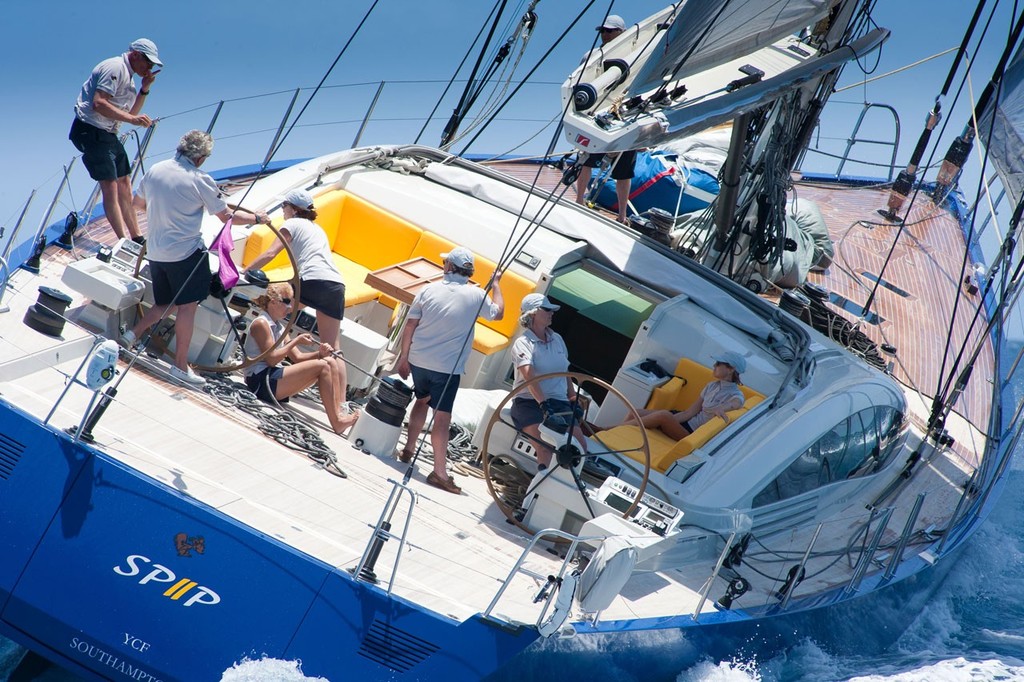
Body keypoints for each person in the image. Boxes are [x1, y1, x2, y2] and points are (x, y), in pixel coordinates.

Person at [121, 130, 269, 386]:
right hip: (186, 254)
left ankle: (131, 336)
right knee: (187, 307)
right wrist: (258, 218)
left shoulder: (156, 170)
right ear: (200, 158)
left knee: (165, 304)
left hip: (155, 252)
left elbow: (137, 203)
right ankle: (179, 366)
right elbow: (227, 217)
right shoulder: (200, 180)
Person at [396, 246, 504, 494]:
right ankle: (440, 473)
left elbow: (410, 325)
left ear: (449, 268)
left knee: (421, 401)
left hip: (418, 361)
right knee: (442, 418)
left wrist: (404, 357)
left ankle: (409, 448)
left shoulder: (427, 289)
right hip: (446, 370)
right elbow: (498, 314)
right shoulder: (477, 296)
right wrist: (495, 284)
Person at [69, 39, 162, 243]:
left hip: (107, 133)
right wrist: (132, 119)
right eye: (148, 62)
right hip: (90, 130)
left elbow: (132, 113)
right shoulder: (115, 67)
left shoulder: (129, 78)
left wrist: (144, 89)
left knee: (125, 183)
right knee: (109, 185)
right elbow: (99, 103)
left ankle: (136, 237)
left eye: (153, 65)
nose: (149, 68)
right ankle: (123, 241)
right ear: (136, 55)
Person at [243, 282, 359, 435]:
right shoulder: (261, 324)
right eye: (287, 302)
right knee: (323, 367)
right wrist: (296, 341)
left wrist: (320, 354)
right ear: (273, 302)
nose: (290, 307)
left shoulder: (279, 327)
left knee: (329, 361)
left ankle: (340, 413)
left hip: (270, 377)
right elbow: (271, 360)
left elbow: (298, 357)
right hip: (259, 381)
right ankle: (337, 422)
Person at [244, 189, 347, 350]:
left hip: (311, 279)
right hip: (335, 285)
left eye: (284, 205)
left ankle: (265, 352)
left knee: (270, 307)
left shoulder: (292, 223)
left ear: (294, 209)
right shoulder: (317, 229)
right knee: (332, 347)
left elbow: (271, 253)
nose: (282, 209)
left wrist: (245, 272)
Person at [510, 293, 588, 471]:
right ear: (533, 314)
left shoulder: (557, 339)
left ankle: (559, 491)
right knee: (544, 448)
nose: (552, 313)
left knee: (579, 450)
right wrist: (544, 405)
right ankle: (535, 493)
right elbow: (529, 377)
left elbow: (564, 371)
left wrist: (572, 397)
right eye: (547, 309)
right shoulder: (523, 343)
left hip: (559, 404)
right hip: (529, 403)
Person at [574, 16, 637, 224]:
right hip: (596, 116)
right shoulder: (590, 57)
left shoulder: (636, 54)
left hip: (625, 117)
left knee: (624, 170)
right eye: (603, 31)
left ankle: (621, 216)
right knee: (586, 159)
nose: (605, 35)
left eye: (610, 31)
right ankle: (578, 201)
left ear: (622, 32)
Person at [624, 351, 747, 440]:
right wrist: (667, 421)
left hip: (690, 432)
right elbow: (688, 413)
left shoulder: (735, 394)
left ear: (731, 369)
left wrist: (723, 408)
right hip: (684, 422)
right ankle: (618, 435)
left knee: (663, 415)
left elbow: (737, 402)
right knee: (635, 412)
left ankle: (608, 429)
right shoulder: (712, 386)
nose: (714, 365)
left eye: (718, 363)